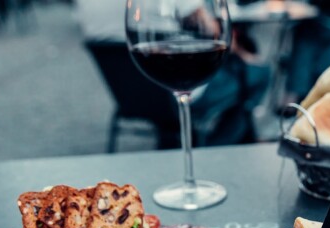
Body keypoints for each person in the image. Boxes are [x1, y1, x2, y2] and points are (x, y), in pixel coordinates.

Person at [75, 0, 269, 147]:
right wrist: (245, 55)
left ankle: (181, 142)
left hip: (129, 95)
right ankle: (217, 146)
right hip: (173, 92)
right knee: (259, 72)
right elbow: (214, 32)